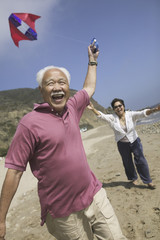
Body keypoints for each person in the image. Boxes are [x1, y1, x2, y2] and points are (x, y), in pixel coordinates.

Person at [0, 46, 127, 240]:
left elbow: (89, 88)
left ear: (68, 88)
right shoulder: (29, 124)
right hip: (63, 212)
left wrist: (92, 61)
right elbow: (15, 172)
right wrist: (1, 219)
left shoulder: (72, 107)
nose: (57, 87)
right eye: (50, 83)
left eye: (62, 82)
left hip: (94, 195)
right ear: (41, 90)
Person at [88, 99, 160, 190]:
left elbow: (143, 113)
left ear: (123, 106)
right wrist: (93, 109)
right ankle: (133, 178)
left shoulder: (131, 115)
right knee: (127, 162)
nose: (118, 108)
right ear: (113, 109)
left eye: (120, 105)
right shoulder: (112, 118)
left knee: (141, 160)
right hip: (122, 144)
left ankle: (148, 181)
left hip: (134, 141)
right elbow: (101, 116)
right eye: (116, 107)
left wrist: (155, 110)